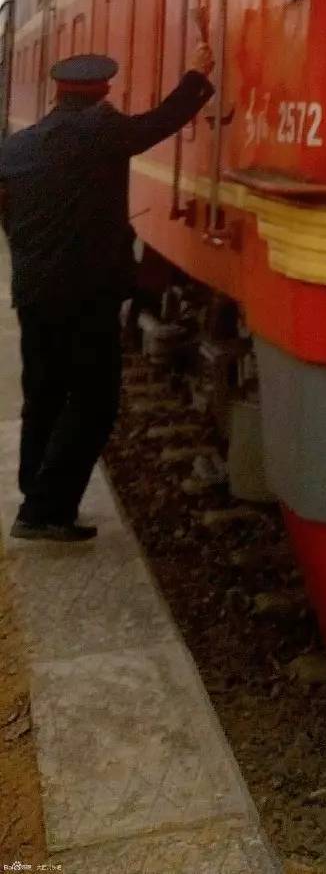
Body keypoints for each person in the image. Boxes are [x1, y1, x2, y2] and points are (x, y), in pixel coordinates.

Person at [0, 45, 215, 541]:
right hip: (87, 296)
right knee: (95, 402)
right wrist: (198, 74)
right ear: (102, 93)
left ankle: (36, 491)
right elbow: (163, 121)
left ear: (57, 92)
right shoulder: (104, 133)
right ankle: (45, 512)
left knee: (44, 394)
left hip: (33, 292)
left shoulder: (19, 145)